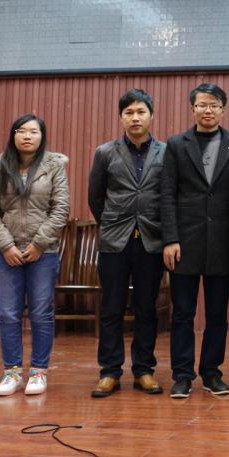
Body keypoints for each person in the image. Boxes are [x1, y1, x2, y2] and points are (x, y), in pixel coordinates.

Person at [161, 83, 229, 399]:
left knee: (217, 315)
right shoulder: (176, 144)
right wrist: (170, 238)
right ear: (193, 108)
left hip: (222, 242)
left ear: (223, 109)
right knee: (182, 313)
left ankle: (212, 372)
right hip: (184, 242)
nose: (207, 110)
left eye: (214, 105)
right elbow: (167, 193)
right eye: (202, 105)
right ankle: (182, 375)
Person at [0, 114, 70, 396]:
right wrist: (6, 246)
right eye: (21, 131)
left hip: (43, 253)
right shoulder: (0, 167)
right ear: (13, 136)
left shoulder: (54, 167)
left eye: (33, 131)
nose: (27, 136)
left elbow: (60, 209)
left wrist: (39, 244)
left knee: (41, 313)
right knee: (8, 313)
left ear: (42, 136)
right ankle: (12, 373)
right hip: (5, 252)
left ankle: (39, 372)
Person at [88, 88, 168, 398]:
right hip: (115, 240)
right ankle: (109, 371)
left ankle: (144, 370)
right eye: (129, 112)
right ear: (121, 117)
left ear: (151, 115)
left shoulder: (166, 152)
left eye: (141, 112)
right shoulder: (105, 152)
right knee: (111, 308)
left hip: (151, 239)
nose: (135, 118)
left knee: (147, 307)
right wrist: (112, 222)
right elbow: (96, 197)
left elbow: (169, 195)